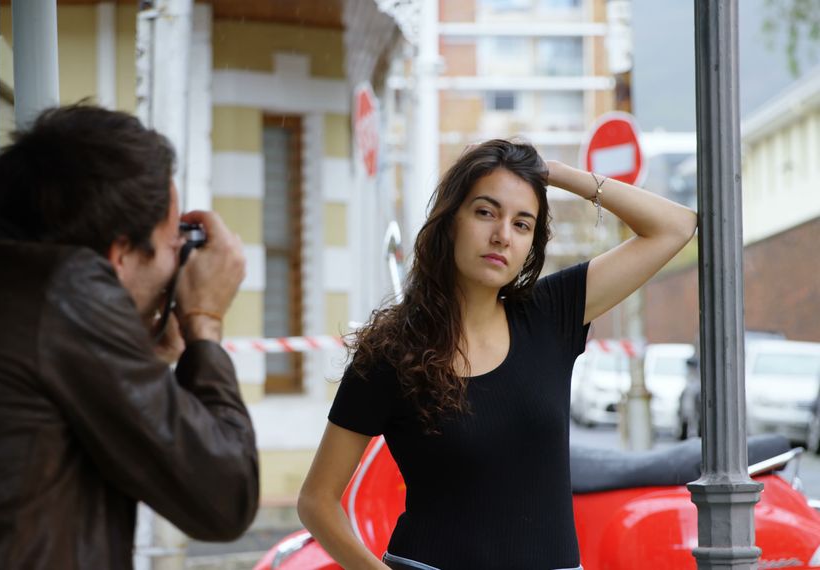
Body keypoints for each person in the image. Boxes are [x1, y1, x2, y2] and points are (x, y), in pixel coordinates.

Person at [0, 105, 259, 569]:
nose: (175, 266)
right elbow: (225, 496)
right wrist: (204, 322)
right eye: (169, 246)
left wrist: (137, 349)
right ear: (119, 253)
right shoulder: (67, 286)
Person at [297, 139, 697, 570]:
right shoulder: (391, 351)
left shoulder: (551, 313)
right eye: (486, 212)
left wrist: (558, 174)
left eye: (522, 224)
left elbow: (674, 226)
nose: (502, 235)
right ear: (451, 220)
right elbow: (317, 501)